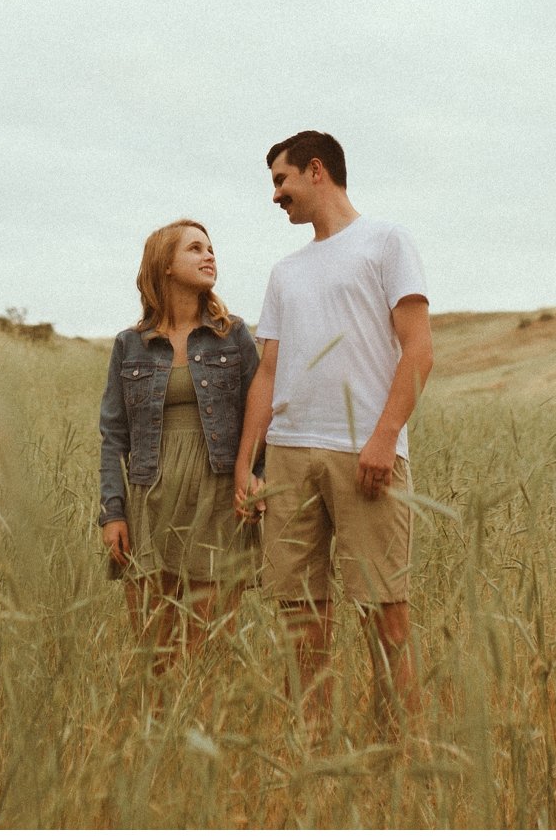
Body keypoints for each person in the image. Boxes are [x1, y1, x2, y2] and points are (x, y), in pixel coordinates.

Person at [234, 130, 434, 734]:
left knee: (384, 612)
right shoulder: (284, 272)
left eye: (280, 180)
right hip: (290, 458)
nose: (275, 196)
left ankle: (400, 746)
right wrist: (248, 465)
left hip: (364, 453)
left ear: (315, 171)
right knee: (301, 615)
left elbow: (419, 350)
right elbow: (267, 372)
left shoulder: (386, 241)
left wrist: (383, 437)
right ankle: (313, 748)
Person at [96, 219, 262, 671]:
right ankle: (156, 739)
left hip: (219, 498)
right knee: (154, 649)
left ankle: (206, 736)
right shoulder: (130, 346)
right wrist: (112, 512)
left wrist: (257, 479)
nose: (210, 256)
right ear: (165, 265)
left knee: (208, 649)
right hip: (152, 500)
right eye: (195, 249)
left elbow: (261, 416)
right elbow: (113, 436)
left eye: (211, 248)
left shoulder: (235, 336)